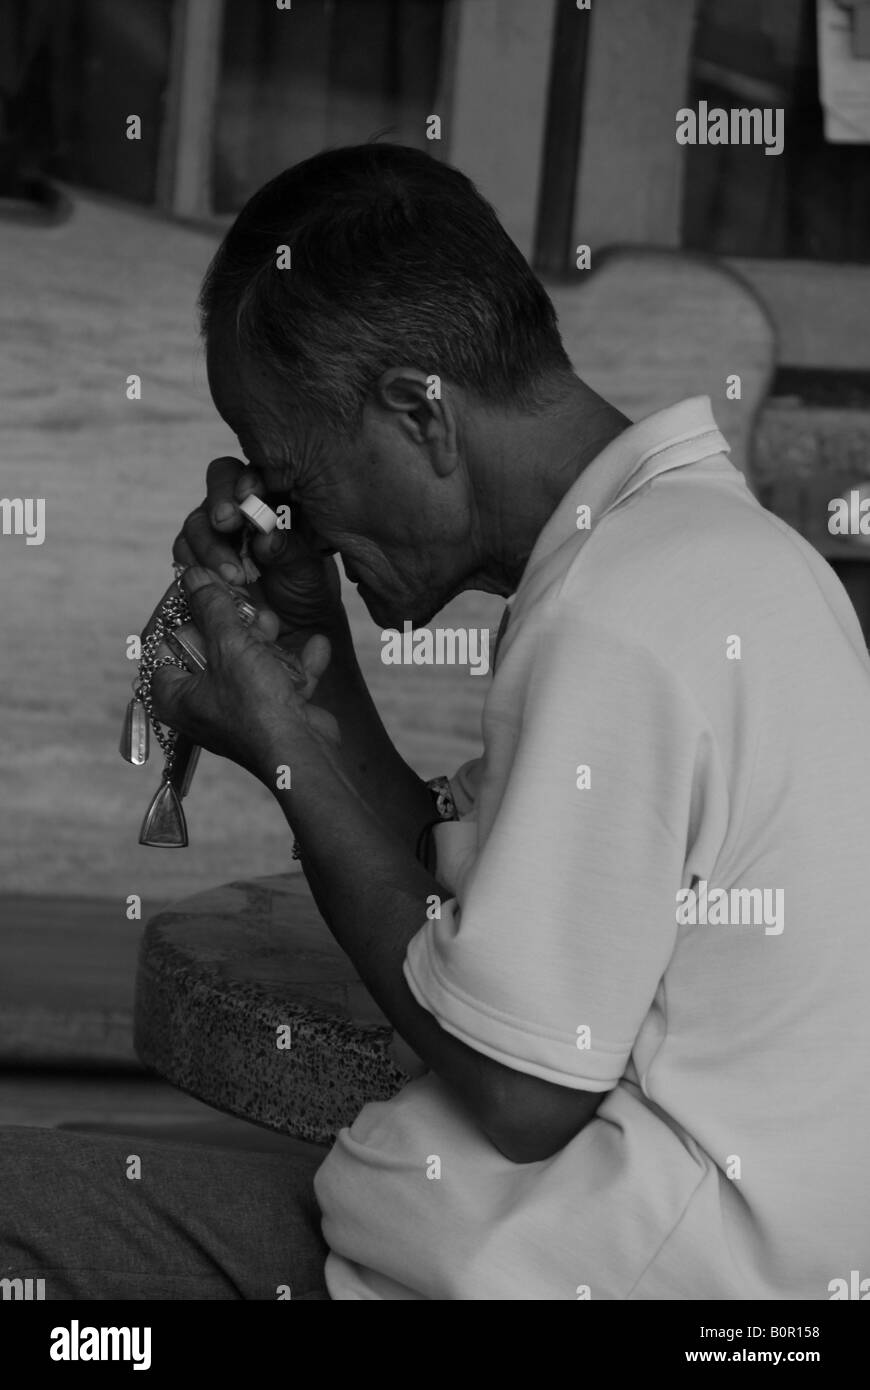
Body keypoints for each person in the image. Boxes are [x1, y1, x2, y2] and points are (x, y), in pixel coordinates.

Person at [4, 143, 870, 1300]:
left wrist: (280, 749)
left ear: (423, 411)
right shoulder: (703, 557)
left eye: (296, 479)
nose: (291, 519)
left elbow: (522, 1087)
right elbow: (502, 920)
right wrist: (313, 673)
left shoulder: (618, 616)